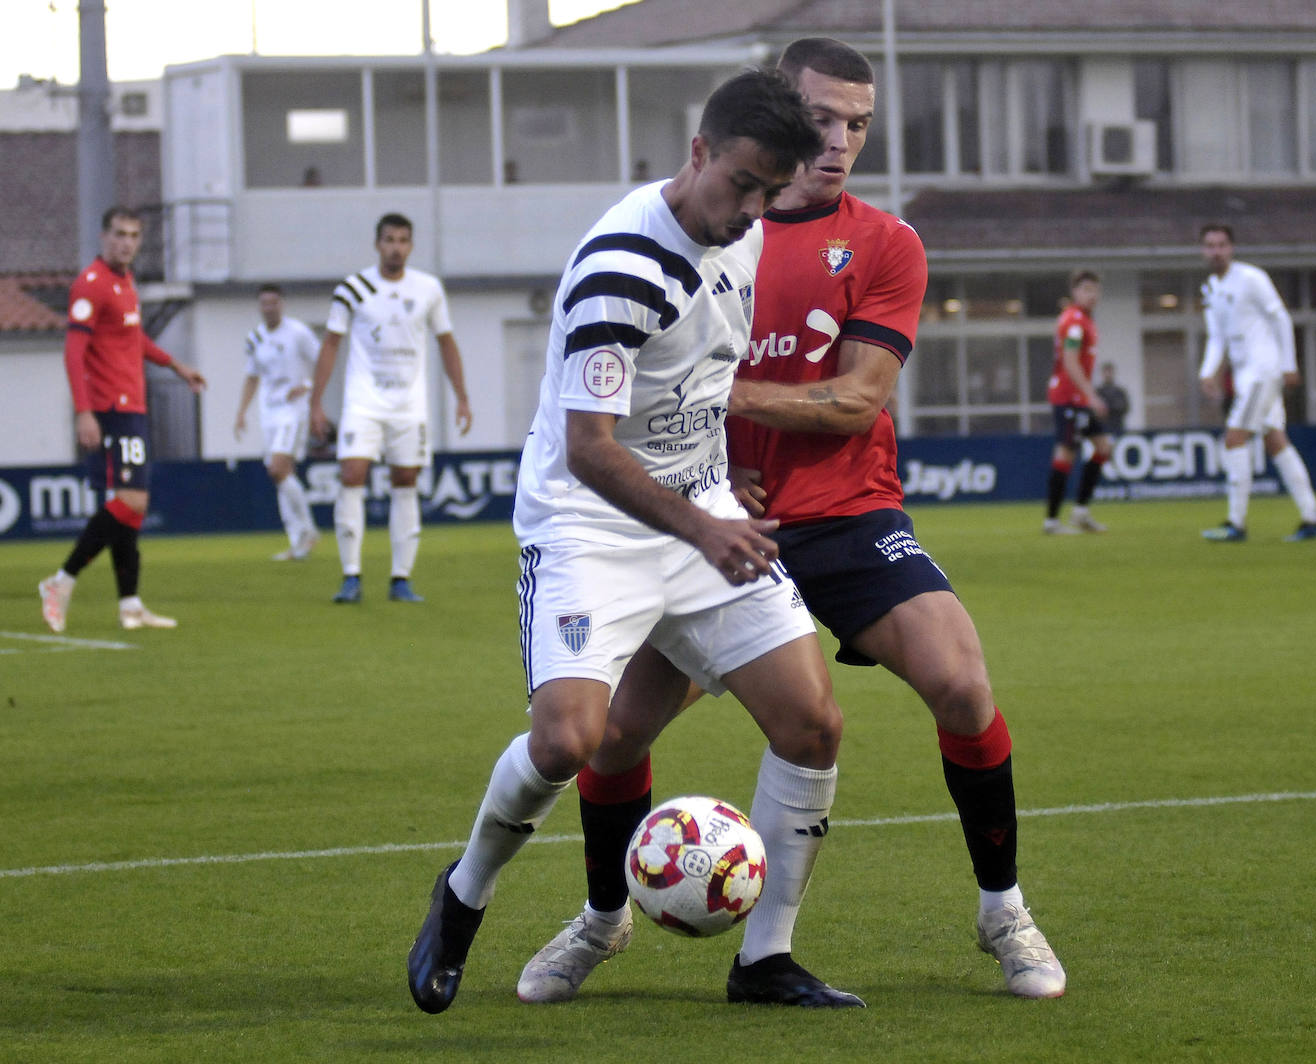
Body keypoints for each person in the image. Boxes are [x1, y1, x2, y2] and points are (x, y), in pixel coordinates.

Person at [519, 39, 1065, 1006]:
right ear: (771, 111)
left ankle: (1003, 910)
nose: (840, 142)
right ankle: (603, 921)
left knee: (963, 685)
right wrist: (706, 479)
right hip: (713, 528)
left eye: (859, 124)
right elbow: (623, 395)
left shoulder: (887, 244)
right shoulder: (701, 230)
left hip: (848, 515)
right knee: (610, 740)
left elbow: (857, 402)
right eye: (822, 119)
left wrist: (724, 405)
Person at [405, 69, 859, 1014]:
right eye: (739, 184)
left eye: (768, 194)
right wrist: (706, 524)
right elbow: (589, 449)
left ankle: (765, 959)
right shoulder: (618, 266)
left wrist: (716, 473)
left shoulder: (749, 233)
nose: (749, 211)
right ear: (696, 153)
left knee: (812, 723)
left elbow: (701, 374)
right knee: (570, 742)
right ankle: (463, 895)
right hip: (590, 522)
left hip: (697, 504)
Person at [38, 207, 207, 634]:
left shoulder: (125, 281)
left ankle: (130, 605)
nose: (126, 243)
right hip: (111, 408)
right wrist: (84, 410)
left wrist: (176, 365)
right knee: (133, 503)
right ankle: (61, 581)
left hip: (132, 405)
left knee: (129, 513)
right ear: (103, 236)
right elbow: (73, 352)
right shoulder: (91, 285)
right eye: (118, 234)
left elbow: (133, 337)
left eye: (133, 235)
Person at [309, 213, 473, 603]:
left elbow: (446, 342)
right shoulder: (354, 288)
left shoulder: (428, 289)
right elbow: (331, 345)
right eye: (389, 240)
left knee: (405, 481)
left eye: (402, 240)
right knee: (351, 474)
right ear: (377, 244)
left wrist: (462, 396)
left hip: (408, 405)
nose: (395, 247)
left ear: (411, 245)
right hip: (363, 402)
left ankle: (401, 578)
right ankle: (351, 575)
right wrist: (316, 403)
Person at [1198, 224, 1316, 543]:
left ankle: (1235, 524)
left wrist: (1288, 365)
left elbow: (1280, 317)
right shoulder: (1212, 288)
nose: (1216, 251)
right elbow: (1217, 336)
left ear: (1232, 247)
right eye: (1210, 246)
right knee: (1275, 441)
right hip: (1245, 375)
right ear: (1203, 250)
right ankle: (1313, 518)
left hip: (1262, 371)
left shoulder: (1251, 279)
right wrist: (1207, 371)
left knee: (1234, 438)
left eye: (1222, 245)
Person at [233, 284, 321, 561]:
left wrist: (307, 385)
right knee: (283, 476)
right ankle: (298, 543)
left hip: (293, 411)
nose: (269, 308)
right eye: (264, 303)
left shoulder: (298, 333)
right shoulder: (255, 338)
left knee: (277, 468)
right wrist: (241, 411)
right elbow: (252, 376)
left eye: (274, 302)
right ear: (259, 306)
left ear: (282, 304)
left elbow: (323, 361)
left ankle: (309, 530)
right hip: (268, 413)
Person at [1044, 270, 1113, 534]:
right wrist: (1092, 395)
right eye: (1086, 290)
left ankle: (1081, 513)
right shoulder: (1074, 322)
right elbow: (1070, 362)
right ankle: (1051, 521)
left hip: (1079, 398)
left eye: (1095, 290)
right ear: (1074, 292)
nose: (1091, 295)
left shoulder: (1084, 320)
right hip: (1069, 398)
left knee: (1103, 447)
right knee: (1066, 453)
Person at [1097, 361, 1130, 436]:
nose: (1108, 374)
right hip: (1102, 428)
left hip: (1117, 427)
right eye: (1106, 372)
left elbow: (1125, 407)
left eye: (1110, 372)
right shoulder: (1098, 392)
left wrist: (1108, 407)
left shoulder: (1120, 391)